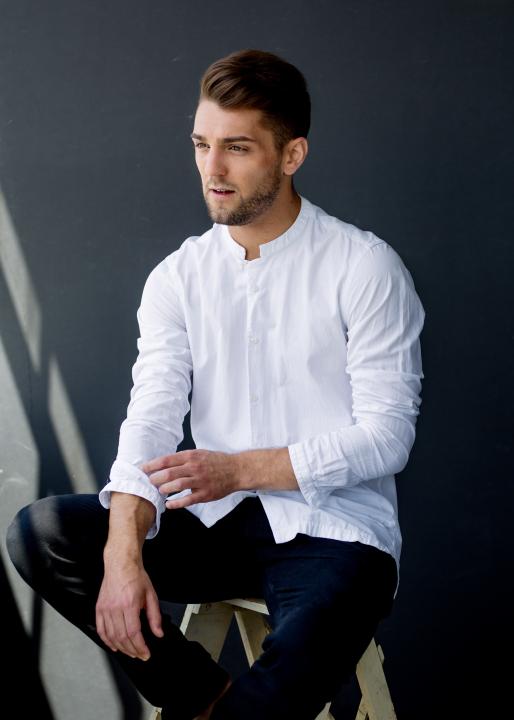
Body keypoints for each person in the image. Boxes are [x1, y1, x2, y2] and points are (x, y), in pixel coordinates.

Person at [7, 48, 425, 720]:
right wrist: (122, 553)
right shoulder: (178, 278)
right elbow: (151, 418)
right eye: (202, 144)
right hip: (213, 526)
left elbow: (387, 438)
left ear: (292, 155)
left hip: (335, 532)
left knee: (298, 666)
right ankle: (206, 699)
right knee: (44, 531)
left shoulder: (365, 267)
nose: (212, 169)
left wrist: (238, 469)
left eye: (237, 148)